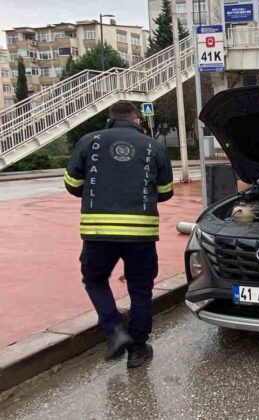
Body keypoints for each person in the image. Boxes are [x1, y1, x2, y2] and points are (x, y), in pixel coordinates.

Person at [64, 101, 174, 368]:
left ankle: (114, 330)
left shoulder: (90, 141)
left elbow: (72, 184)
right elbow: (167, 190)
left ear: (110, 119)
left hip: (98, 231)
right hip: (141, 233)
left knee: (95, 279)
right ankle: (138, 349)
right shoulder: (154, 146)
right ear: (138, 119)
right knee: (140, 289)